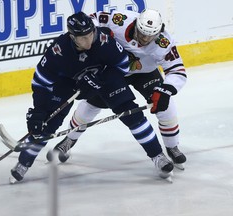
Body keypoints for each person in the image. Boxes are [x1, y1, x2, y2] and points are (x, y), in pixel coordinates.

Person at [10, 11, 174, 182]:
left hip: (102, 78)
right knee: (46, 125)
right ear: (73, 37)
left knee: (131, 113)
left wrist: (101, 77)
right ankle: (23, 163)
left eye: (91, 34)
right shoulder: (58, 51)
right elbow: (40, 82)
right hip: (68, 82)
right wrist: (39, 109)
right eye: (83, 38)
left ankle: (158, 156)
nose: (89, 41)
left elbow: (123, 65)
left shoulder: (103, 41)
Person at [47, 9, 187, 170]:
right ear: (135, 25)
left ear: (159, 31)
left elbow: (177, 70)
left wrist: (165, 90)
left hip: (145, 73)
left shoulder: (164, 42)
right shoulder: (120, 19)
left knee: (166, 105)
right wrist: (99, 33)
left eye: (151, 36)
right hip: (113, 70)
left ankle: (172, 146)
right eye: (142, 33)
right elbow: (93, 19)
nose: (145, 39)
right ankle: (69, 139)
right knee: (90, 106)